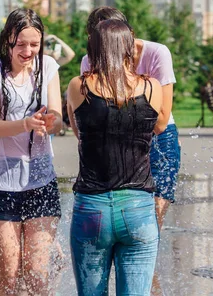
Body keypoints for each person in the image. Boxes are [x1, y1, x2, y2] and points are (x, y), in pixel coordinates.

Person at [68, 19, 165, 295]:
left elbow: (80, 134)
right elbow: (156, 126)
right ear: (129, 48)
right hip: (138, 208)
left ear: (93, 49)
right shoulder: (151, 88)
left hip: (92, 208)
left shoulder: (79, 87)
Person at [0, 8, 62, 295]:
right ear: (8, 40)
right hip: (2, 180)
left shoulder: (48, 66)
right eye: (21, 44)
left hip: (41, 178)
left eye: (34, 45)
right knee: (10, 278)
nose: (28, 51)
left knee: (38, 274)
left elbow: (59, 119)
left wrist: (51, 123)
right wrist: (25, 124)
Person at [80, 7, 180, 229]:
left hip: (159, 140)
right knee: (118, 218)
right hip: (113, 143)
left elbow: (161, 121)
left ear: (129, 33)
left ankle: (146, 262)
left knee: (151, 220)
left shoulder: (156, 53)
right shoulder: (90, 61)